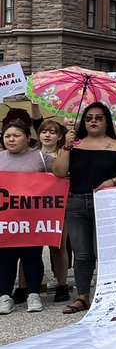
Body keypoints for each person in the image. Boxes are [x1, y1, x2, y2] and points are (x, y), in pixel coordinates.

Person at [51, 102, 116, 313]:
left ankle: (108, 294)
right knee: (82, 254)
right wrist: (65, 147)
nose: (93, 121)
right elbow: (59, 172)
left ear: (106, 121)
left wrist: (113, 181)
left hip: (107, 204)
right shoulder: (75, 145)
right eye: (89, 118)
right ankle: (83, 296)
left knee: (106, 252)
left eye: (99, 118)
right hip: (77, 203)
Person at [0, 117, 55, 314]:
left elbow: (58, 179)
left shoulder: (41, 157)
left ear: (27, 137)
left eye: (16, 135)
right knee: (5, 257)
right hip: (6, 220)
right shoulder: (0, 157)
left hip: (33, 218)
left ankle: (33, 294)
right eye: (7, 136)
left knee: (32, 256)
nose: (11, 139)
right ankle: (4, 296)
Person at [37, 119, 73, 302]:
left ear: (60, 136)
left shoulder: (66, 154)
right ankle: (26, 288)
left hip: (59, 206)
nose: (47, 135)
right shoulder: (31, 154)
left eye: (52, 132)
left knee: (58, 246)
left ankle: (62, 285)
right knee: (31, 247)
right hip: (34, 207)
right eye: (44, 131)